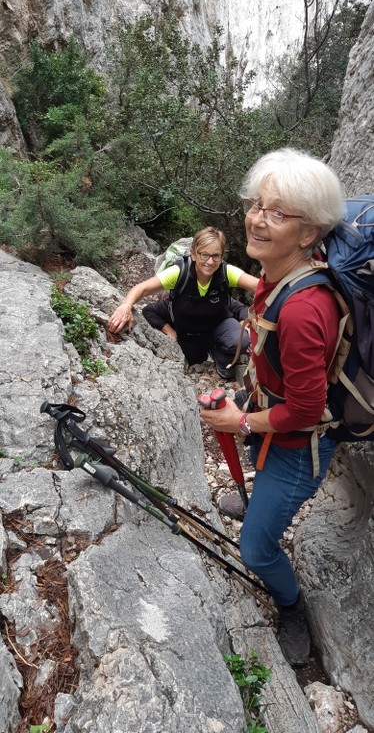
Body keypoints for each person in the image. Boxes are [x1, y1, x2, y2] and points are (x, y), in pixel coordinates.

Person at [199, 148, 345, 667]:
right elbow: (252, 293)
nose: (257, 219)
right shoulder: (276, 277)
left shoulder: (304, 308)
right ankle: (257, 502)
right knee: (258, 511)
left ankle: (293, 606)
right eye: (256, 204)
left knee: (255, 551)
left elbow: (307, 410)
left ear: (309, 233)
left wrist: (237, 420)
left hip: (297, 444)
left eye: (277, 212)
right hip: (273, 420)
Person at [108, 227, 259, 378]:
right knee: (194, 359)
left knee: (240, 340)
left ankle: (221, 356)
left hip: (217, 326)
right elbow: (142, 289)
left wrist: (251, 319)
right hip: (189, 334)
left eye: (216, 256)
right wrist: (126, 306)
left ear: (222, 256)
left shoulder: (226, 273)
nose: (210, 261)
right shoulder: (180, 273)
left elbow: (260, 287)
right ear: (193, 253)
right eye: (204, 254)